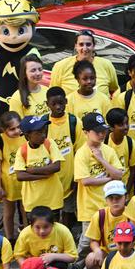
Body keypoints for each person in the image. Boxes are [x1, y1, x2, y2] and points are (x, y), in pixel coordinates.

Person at [73, 112, 124, 260]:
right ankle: (74, 267)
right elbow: (85, 181)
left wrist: (101, 159)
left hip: (109, 206)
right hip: (89, 207)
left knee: (108, 239)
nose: (102, 134)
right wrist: (108, 179)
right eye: (97, 132)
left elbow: (119, 175)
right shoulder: (81, 154)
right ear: (86, 132)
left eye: (104, 131)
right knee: (86, 242)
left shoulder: (107, 150)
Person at [82, 180, 132, 269]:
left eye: (118, 197)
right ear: (106, 199)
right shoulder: (100, 215)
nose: (115, 201)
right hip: (108, 254)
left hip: (127, 253)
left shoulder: (131, 214)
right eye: (111, 198)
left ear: (126, 197)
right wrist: (97, 249)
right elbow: (93, 240)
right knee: (90, 258)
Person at [15, 115, 64, 217]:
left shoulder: (49, 144)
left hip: (52, 198)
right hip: (32, 201)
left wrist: (32, 170)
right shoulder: (22, 150)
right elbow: (20, 176)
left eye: (44, 131)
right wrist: (44, 174)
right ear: (28, 135)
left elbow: (56, 166)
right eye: (38, 132)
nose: (43, 135)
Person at [49, 29, 119, 97]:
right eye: (81, 44)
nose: (85, 48)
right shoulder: (61, 66)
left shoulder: (106, 65)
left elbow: (115, 91)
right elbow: (53, 94)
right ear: (76, 46)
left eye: (88, 44)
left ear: (94, 46)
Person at [45, 87, 79, 224]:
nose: (58, 107)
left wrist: (76, 178)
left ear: (66, 101)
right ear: (47, 104)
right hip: (51, 179)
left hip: (69, 178)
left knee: (68, 211)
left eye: (61, 103)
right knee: (52, 212)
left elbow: (80, 151)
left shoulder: (74, 122)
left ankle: (66, 235)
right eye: (54, 104)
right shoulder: (44, 124)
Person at [0, 111, 25, 241]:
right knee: (9, 212)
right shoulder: (0, 140)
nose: (16, 131)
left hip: (23, 180)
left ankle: (25, 237)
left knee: (25, 210)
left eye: (18, 127)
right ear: (3, 129)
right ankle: (10, 238)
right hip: (9, 183)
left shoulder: (25, 136)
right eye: (12, 129)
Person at [13, 205, 78, 266]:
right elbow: (19, 256)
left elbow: (72, 256)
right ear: (31, 225)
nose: (42, 231)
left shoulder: (63, 231)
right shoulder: (25, 234)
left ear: (53, 224)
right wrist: (27, 267)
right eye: (37, 227)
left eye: (46, 227)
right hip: (34, 265)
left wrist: (53, 256)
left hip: (56, 264)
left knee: (60, 265)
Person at [105, 108, 135, 190]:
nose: (126, 127)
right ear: (111, 127)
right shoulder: (104, 142)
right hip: (107, 187)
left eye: (127, 123)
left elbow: (133, 171)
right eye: (121, 125)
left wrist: (126, 191)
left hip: (124, 186)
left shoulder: (132, 144)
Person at [7, 54, 48, 118]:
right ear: (24, 73)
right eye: (33, 70)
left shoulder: (47, 90)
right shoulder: (16, 98)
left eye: (40, 69)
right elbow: (17, 125)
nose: (38, 73)